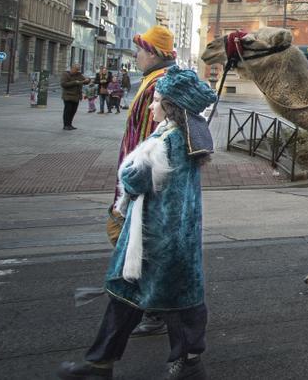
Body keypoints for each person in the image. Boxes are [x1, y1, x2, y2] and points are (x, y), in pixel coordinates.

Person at [57, 66, 217, 380]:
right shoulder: (184, 133)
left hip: (158, 240)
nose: (151, 106)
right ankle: (100, 364)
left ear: (171, 106)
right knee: (127, 298)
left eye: (157, 101)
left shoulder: (168, 140)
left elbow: (134, 178)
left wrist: (131, 172)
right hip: (159, 238)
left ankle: (188, 365)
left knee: (174, 303)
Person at [108, 25, 178, 337]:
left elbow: (156, 140)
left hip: (145, 182)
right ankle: (149, 307)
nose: (136, 55)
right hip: (138, 178)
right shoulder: (153, 81)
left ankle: (154, 310)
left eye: (140, 50)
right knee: (136, 242)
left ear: (152, 52)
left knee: (143, 244)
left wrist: (137, 184)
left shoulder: (159, 84)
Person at [61, 64, 90, 130]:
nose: (77, 71)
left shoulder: (79, 74)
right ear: (72, 68)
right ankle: (66, 125)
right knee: (68, 111)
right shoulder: (65, 74)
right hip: (68, 96)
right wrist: (75, 82)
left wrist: (88, 80)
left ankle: (70, 124)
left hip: (76, 96)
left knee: (73, 111)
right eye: (76, 69)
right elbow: (63, 84)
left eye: (78, 69)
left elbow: (85, 81)